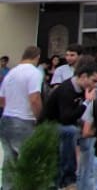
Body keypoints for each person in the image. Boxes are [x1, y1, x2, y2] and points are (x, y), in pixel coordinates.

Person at [44, 60, 97, 189]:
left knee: (88, 137)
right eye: (93, 81)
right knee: (70, 131)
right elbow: (66, 117)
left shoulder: (84, 89)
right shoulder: (67, 89)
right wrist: (86, 102)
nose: (95, 85)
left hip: (69, 124)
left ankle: (83, 181)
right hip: (51, 126)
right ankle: (68, 178)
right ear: (83, 76)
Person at [0, 46, 43, 190]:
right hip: (24, 120)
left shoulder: (11, 73)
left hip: (6, 119)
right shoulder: (34, 72)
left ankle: (7, 188)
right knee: (28, 161)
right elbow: (34, 98)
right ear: (37, 57)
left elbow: (1, 99)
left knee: (9, 161)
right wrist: (39, 117)